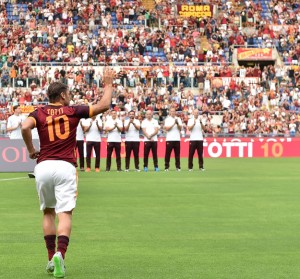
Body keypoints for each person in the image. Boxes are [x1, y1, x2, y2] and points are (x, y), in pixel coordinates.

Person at [21, 69, 114, 278]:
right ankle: (60, 255)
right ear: (62, 95)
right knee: (65, 213)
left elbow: (25, 127)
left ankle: (49, 259)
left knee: (48, 212)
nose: (70, 95)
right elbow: (104, 106)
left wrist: (30, 150)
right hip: (65, 166)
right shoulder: (73, 111)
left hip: (43, 166)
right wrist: (108, 85)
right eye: (68, 93)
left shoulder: (38, 112)